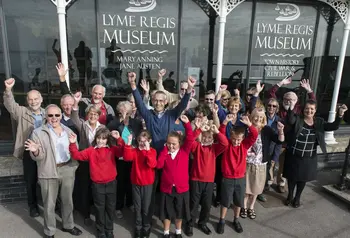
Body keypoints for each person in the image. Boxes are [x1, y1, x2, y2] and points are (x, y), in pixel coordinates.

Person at [24, 104, 82, 238]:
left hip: (67, 169)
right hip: (49, 170)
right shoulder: (38, 132)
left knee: (68, 201)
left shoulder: (68, 131)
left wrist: (73, 167)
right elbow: (39, 157)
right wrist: (36, 150)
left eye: (57, 115)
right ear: (46, 116)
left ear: (61, 116)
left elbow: (75, 150)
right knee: (49, 204)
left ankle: (68, 225)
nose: (54, 118)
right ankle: (49, 231)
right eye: (50, 115)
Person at [284, 100, 347, 208]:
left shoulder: (319, 122)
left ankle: (297, 198)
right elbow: (290, 120)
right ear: (303, 110)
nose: (309, 111)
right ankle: (290, 195)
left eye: (312, 109)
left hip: (308, 157)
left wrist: (340, 114)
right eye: (307, 108)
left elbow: (333, 127)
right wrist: (291, 107)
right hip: (294, 155)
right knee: (292, 178)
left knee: (302, 179)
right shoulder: (298, 119)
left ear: (315, 110)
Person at [69, 128, 124, 238]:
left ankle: (109, 229)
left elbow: (122, 152)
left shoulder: (112, 149)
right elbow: (77, 156)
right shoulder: (91, 150)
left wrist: (119, 139)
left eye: (103, 139)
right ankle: (101, 230)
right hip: (97, 185)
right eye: (98, 138)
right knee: (99, 208)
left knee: (110, 207)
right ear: (95, 139)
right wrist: (72, 144)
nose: (100, 141)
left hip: (111, 183)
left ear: (107, 140)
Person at [3, 78, 45, 217]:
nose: (33, 102)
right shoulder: (21, 112)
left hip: (45, 153)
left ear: (41, 99)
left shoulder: (48, 113)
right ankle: (33, 206)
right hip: (28, 152)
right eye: (30, 99)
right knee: (31, 180)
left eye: (36, 99)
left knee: (48, 180)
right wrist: (8, 90)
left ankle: (53, 205)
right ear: (27, 101)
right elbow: (10, 105)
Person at [268, 78, 316, 193]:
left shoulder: (299, 110)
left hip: (290, 144)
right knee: (271, 163)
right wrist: (280, 83)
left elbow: (313, 103)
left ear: (296, 100)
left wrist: (309, 90)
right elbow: (271, 94)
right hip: (276, 141)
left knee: (284, 166)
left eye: (291, 100)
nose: (288, 101)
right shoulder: (278, 108)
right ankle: (268, 182)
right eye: (286, 99)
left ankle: (281, 182)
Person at [216, 114, 258, 234]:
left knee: (238, 201)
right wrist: (224, 122)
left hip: (240, 178)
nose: (236, 141)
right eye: (234, 139)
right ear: (231, 137)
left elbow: (254, 135)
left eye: (239, 139)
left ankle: (236, 220)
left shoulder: (244, 146)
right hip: (227, 178)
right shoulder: (226, 145)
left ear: (243, 138)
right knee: (225, 201)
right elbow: (221, 135)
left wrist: (249, 124)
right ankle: (222, 220)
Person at [184, 123, 228, 237]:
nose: (206, 139)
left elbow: (225, 143)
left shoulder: (214, 149)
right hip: (195, 180)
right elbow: (189, 141)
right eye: (204, 136)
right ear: (201, 137)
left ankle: (202, 223)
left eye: (209, 137)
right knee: (193, 204)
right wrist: (198, 130)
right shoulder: (197, 146)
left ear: (213, 139)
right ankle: (190, 223)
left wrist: (217, 132)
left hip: (209, 182)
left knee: (206, 205)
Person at [240, 108, 284, 220]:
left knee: (256, 188)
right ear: (252, 116)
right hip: (247, 163)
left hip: (260, 164)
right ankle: (243, 206)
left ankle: (251, 207)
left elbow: (279, 141)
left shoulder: (266, 129)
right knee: (246, 188)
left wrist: (281, 131)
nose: (258, 118)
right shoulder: (245, 128)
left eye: (261, 117)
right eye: (256, 116)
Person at [71, 91, 106, 224]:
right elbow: (74, 117)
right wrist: (76, 102)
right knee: (84, 187)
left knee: (96, 188)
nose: (92, 116)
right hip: (85, 161)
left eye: (95, 114)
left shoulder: (102, 127)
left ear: (99, 116)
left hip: (97, 162)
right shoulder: (83, 125)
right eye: (90, 114)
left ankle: (96, 212)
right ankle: (85, 214)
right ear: (87, 115)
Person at [157, 115, 195, 238]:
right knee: (167, 212)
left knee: (180, 212)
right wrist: (164, 151)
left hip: (181, 189)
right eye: (168, 143)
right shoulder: (165, 153)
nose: (171, 146)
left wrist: (187, 124)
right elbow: (159, 165)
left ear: (180, 143)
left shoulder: (184, 152)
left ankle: (178, 231)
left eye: (174, 144)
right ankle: (166, 232)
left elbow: (190, 138)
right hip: (167, 188)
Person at [107, 101, 143, 219]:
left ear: (131, 111)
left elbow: (140, 137)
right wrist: (121, 120)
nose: (125, 114)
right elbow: (110, 138)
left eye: (127, 112)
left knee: (131, 181)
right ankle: (118, 206)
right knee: (120, 183)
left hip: (133, 156)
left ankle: (130, 203)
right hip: (119, 158)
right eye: (122, 112)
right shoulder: (114, 123)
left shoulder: (136, 123)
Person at [123, 131, 157, 238]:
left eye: (144, 141)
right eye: (140, 141)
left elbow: (152, 164)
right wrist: (128, 143)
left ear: (149, 141)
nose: (142, 143)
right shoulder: (135, 151)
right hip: (136, 182)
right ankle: (138, 227)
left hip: (147, 183)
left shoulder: (152, 151)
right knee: (137, 206)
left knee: (146, 207)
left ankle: (146, 226)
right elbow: (127, 158)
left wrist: (147, 151)